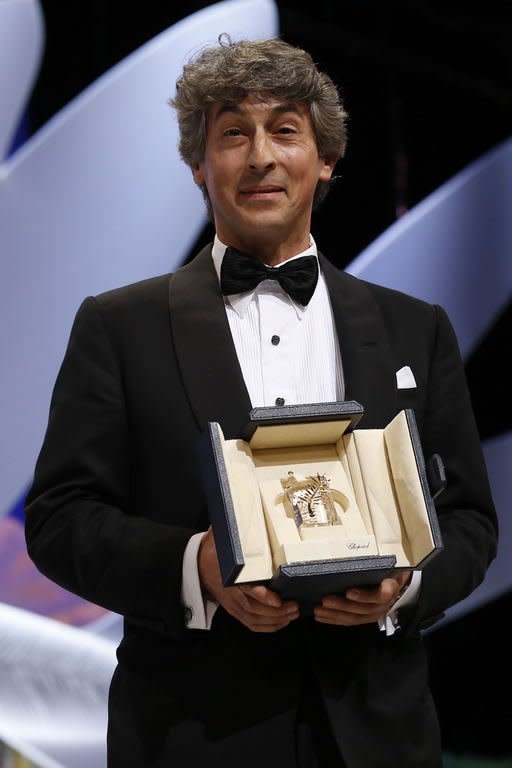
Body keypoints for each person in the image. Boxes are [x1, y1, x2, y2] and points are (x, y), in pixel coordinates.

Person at [24, 36, 498, 768]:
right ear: (198, 166)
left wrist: (407, 587)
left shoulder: (415, 327)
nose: (260, 157)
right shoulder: (119, 326)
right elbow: (59, 518)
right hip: (189, 734)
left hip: (378, 734)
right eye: (232, 133)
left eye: (285, 129)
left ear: (326, 159)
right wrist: (194, 567)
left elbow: (468, 518)